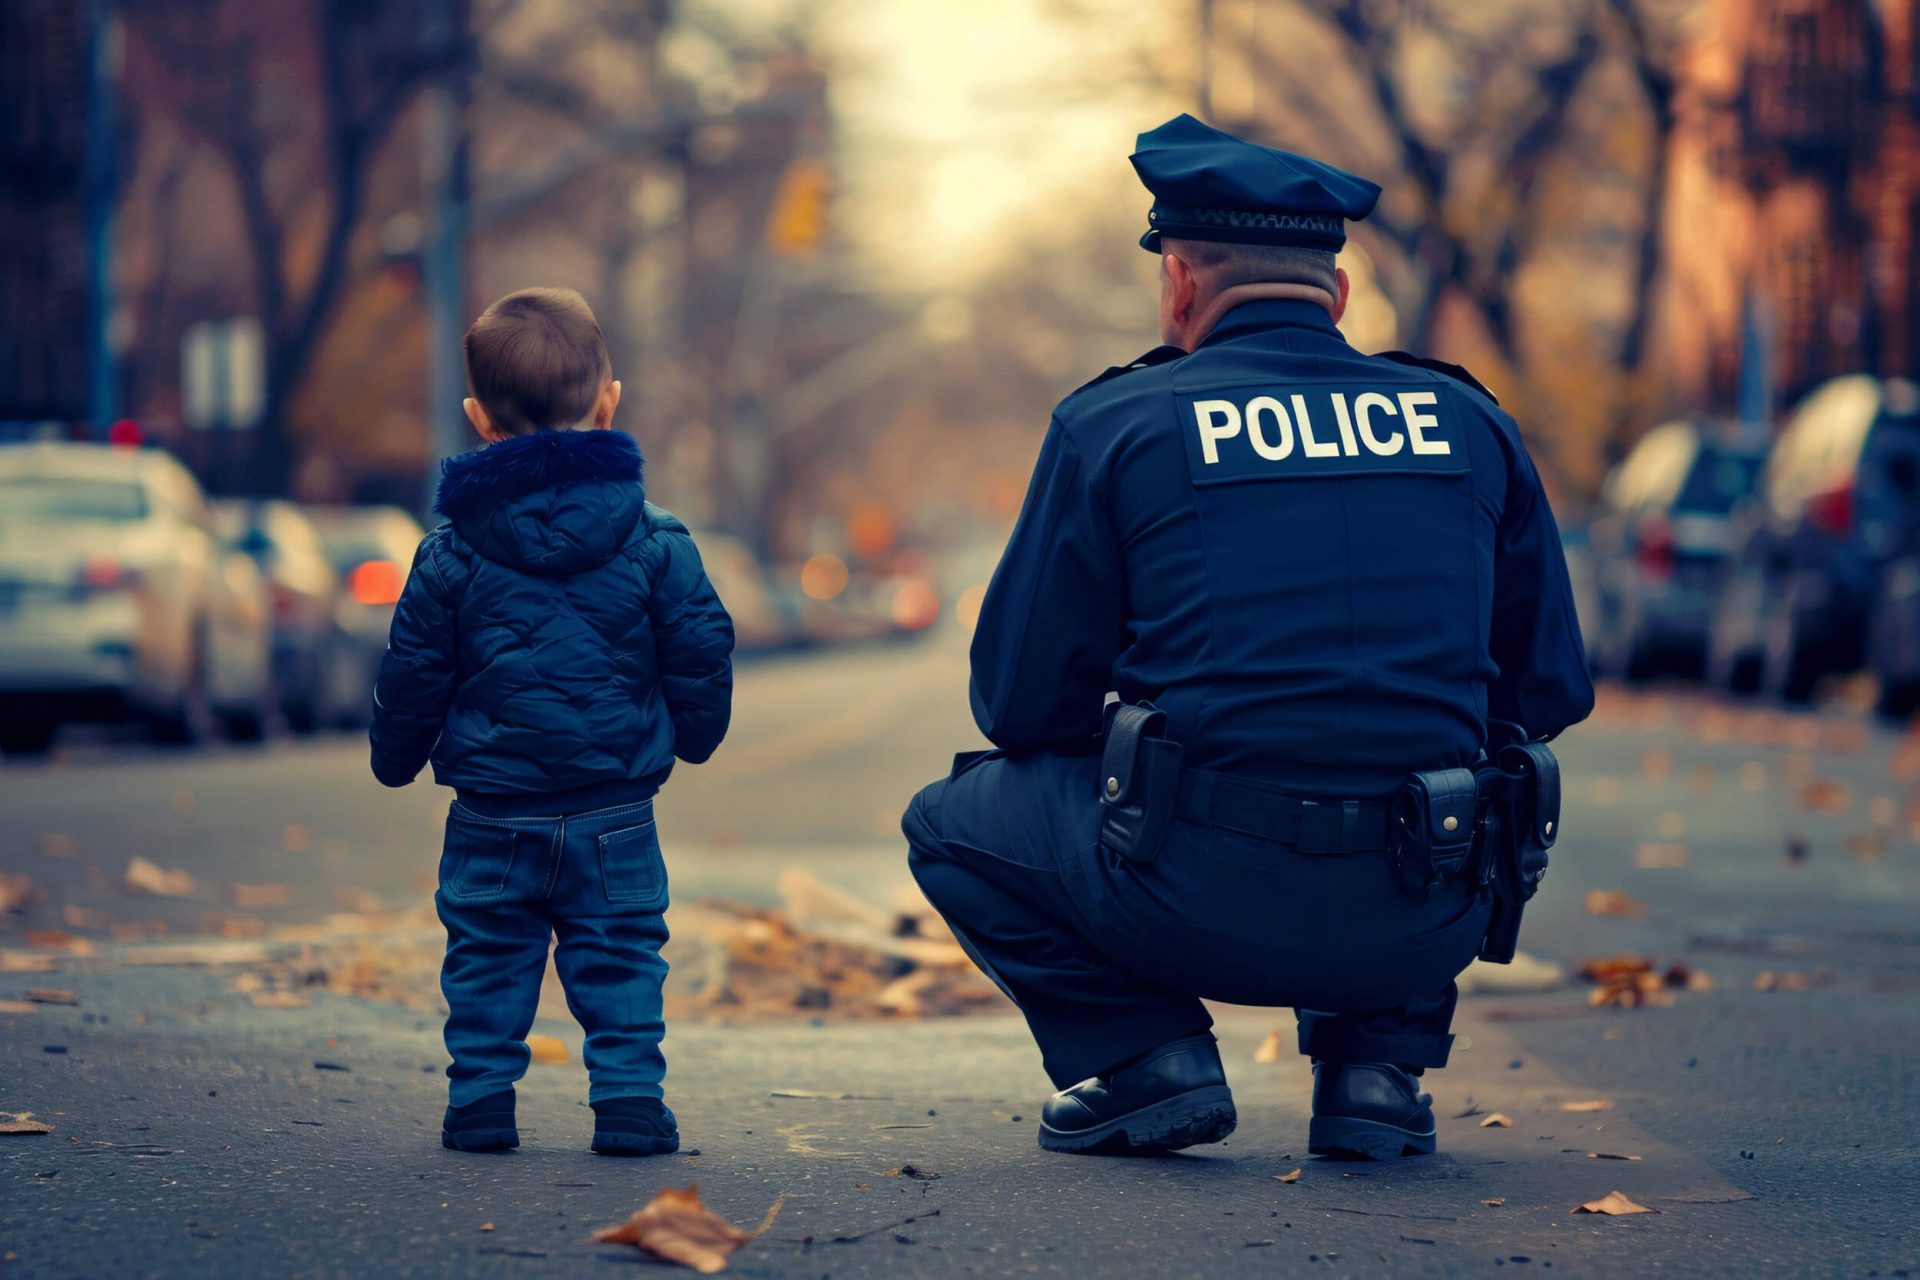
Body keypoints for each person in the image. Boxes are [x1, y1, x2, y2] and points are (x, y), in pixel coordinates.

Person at [902, 115, 1593, 1160]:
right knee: (1452, 753)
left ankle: (1148, 1058)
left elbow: (1019, 706)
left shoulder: (1117, 427)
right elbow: (1548, 686)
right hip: (1425, 906)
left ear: (1179, 284)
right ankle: (1378, 1070)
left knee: (947, 821)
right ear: (1340, 295)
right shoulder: (1470, 423)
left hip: (1184, 896)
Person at [369, 287, 734, 1157]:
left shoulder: (450, 551)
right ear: (608, 405)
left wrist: (395, 754)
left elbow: (413, 669)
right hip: (615, 807)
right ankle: (630, 1104)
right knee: (621, 954)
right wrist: (695, 733)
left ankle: (482, 1102)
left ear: (477, 420)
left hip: (493, 808)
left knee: (488, 953)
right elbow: (701, 651)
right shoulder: (657, 539)